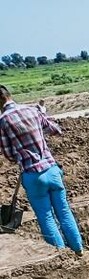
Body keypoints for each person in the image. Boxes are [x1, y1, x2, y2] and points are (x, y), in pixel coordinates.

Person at [0, 85, 84, 255]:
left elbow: (8, 154)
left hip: (33, 176)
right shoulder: (32, 110)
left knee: (46, 217)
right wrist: (43, 115)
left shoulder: (3, 121)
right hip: (52, 170)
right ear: (10, 95)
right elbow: (55, 129)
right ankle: (78, 250)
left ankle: (61, 257)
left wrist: (22, 155)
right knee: (64, 211)